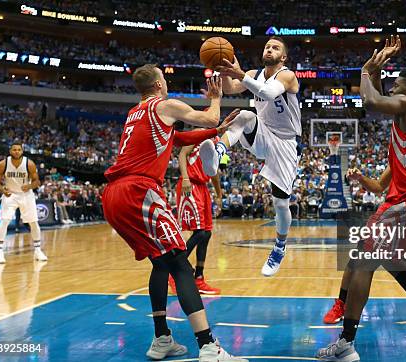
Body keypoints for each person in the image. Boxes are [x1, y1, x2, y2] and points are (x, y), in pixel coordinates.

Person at [316, 36, 406, 361]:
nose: (391, 91)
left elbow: (372, 101)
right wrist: (377, 69)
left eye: (396, 87)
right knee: (392, 260)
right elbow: (380, 96)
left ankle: (346, 344)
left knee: (363, 261)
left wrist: (366, 70)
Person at [101, 64, 246, 362]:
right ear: (157, 84)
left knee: (160, 263)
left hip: (113, 195)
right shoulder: (164, 105)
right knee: (181, 263)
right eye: (164, 79)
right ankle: (208, 346)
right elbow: (209, 115)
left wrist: (215, 133)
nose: (167, 83)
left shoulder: (134, 114)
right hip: (138, 191)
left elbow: (177, 140)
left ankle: (162, 339)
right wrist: (216, 98)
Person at [202, 36, 301, 277]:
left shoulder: (287, 76)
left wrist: (238, 73)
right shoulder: (255, 73)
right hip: (264, 133)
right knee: (245, 115)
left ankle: (279, 247)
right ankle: (217, 154)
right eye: (267, 46)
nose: (270, 49)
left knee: (280, 202)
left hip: (286, 143)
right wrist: (225, 69)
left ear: (284, 57)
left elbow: (268, 93)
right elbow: (230, 88)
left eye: (275, 47)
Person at [172, 123, 236, 295]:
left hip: (202, 187)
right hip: (190, 184)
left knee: (206, 233)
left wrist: (219, 194)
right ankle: (174, 268)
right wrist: (185, 178)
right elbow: (182, 154)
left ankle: (199, 278)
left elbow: (213, 170)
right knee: (199, 232)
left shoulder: (216, 142)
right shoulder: (198, 133)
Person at [0, 142, 48, 264]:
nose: (17, 151)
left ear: (22, 151)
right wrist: (3, 189)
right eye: (14, 149)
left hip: (26, 195)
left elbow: (36, 181)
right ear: (10, 151)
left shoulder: (29, 164)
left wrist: (29, 186)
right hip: (10, 194)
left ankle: (38, 250)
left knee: (33, 223)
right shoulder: (3, 164)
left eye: (19, 149)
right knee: (5, 221)